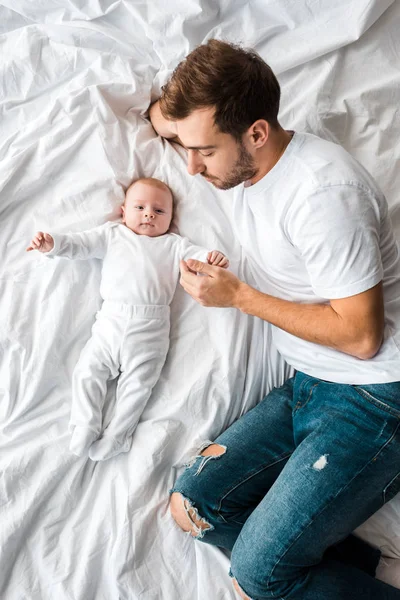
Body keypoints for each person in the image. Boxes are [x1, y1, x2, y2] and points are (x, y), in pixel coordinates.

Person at [149, 40, 400, 599]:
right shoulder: (240, 165)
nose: (190, 166)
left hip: (376, 395)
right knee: (193, 507)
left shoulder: (324, 196)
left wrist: (239, 297)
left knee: (257, 582)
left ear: (256, 133)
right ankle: (353, 564)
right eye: (182, 147)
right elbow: (168, 114)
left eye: (204, 151)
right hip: (311, 380)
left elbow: (362, 337)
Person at [26, 177, 229, 461]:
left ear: (171, 220)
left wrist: (212, 258)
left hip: (151, 328)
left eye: (159, 211)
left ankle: (119, 435)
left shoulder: (175, 245)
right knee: (87, 371)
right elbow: (79, 244)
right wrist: (52, 244)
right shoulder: (112, 235)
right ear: (123, 212)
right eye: (140, 207)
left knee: (137, 387)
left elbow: (199, 259)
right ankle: (85, 423)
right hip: (111, 321)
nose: (149, 214)